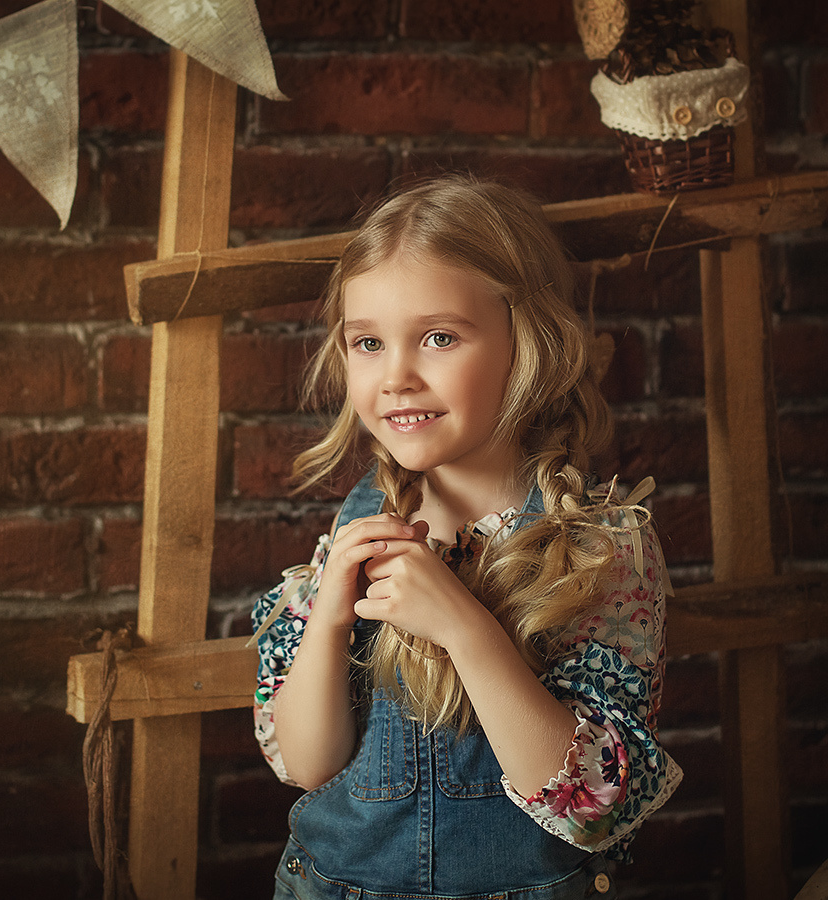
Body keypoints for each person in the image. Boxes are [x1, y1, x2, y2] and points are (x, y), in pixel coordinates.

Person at [250, 175, 682, 900]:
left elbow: (595, 806)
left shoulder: (599, 551)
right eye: (368, 343)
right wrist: (329, 613)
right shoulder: (352, 539)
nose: (397, 377)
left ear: (529, 343)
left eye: (439, 337)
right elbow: (307, 764)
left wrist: (462, 623)